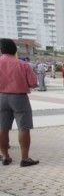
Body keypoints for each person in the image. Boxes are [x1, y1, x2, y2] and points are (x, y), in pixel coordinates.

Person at [0, 38, 39, 167]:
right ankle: (25, 158)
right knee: (24, 127)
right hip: (19, 98)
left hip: (1, 97)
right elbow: (33, 83)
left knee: (2, 127)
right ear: (15, 50)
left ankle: (5, 156)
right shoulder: (23, 64)